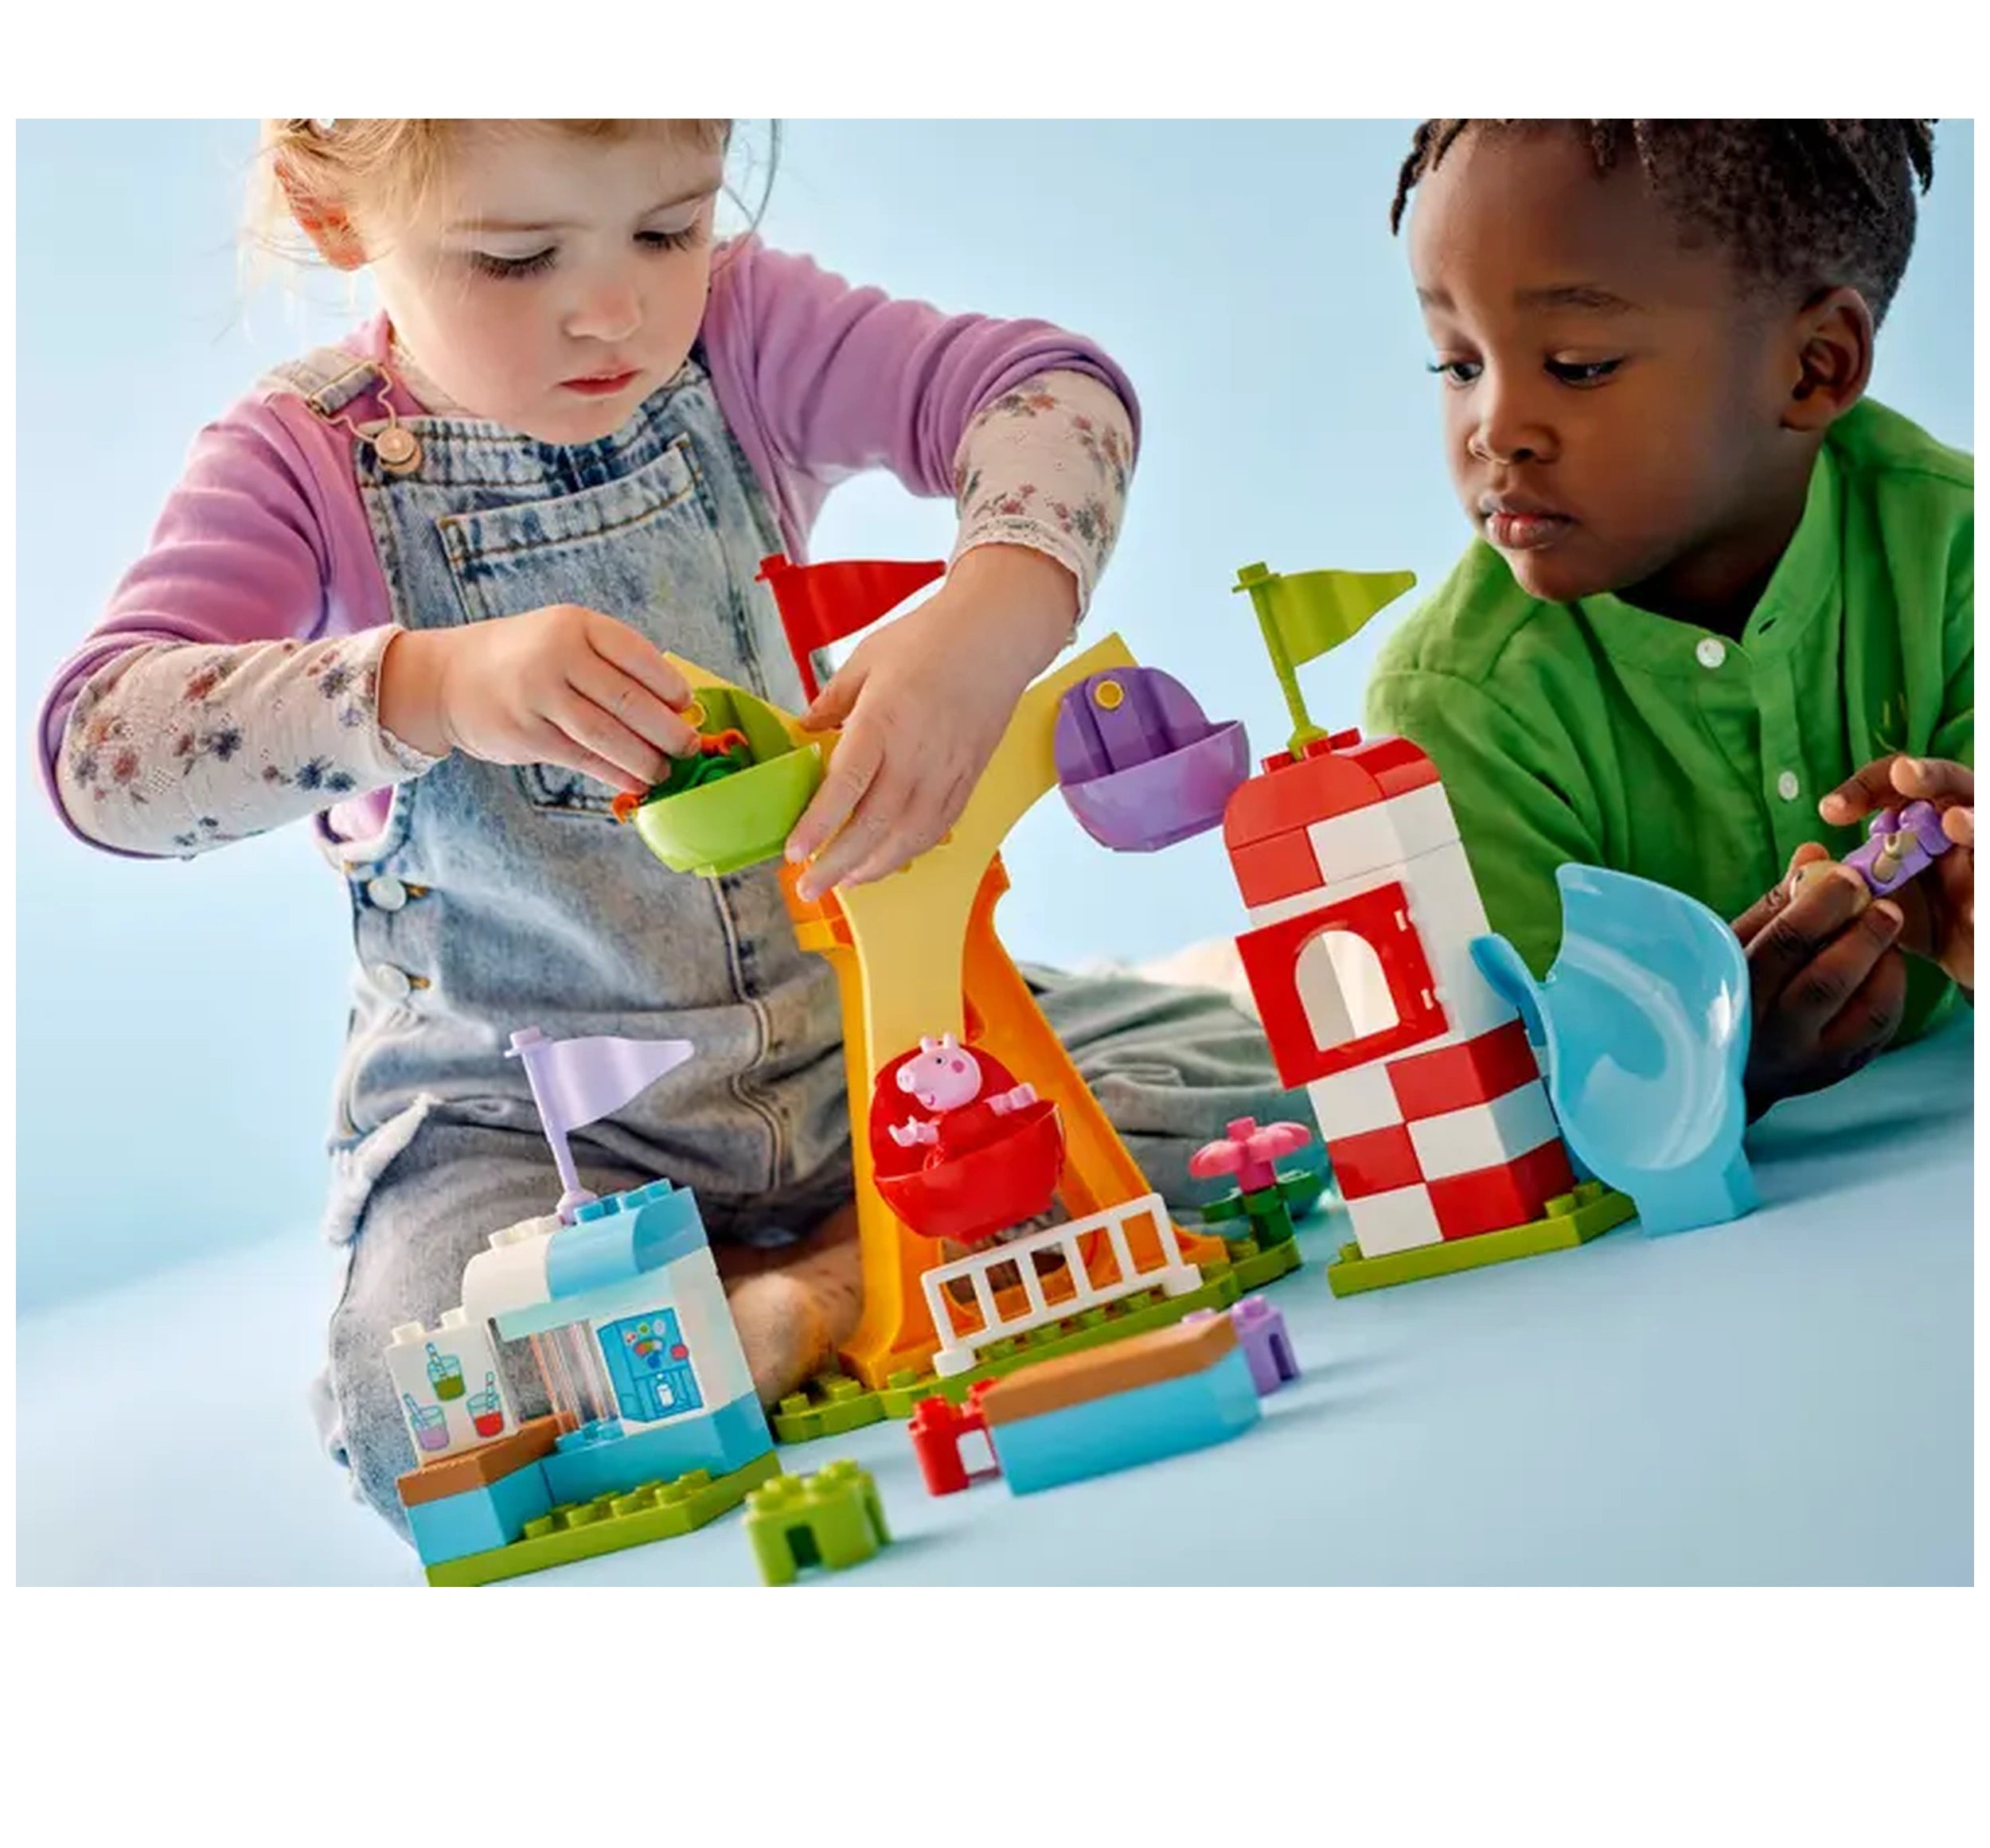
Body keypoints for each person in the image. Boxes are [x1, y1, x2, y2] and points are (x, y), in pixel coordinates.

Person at [36, 119, 1297, 1539]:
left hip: (870, 1057)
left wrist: (1000, 606)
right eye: (515, 258)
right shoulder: (301, 464)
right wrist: (426, 684)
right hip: (533, 1148)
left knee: (1282, 1102)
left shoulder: (749, 336)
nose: (615, 310)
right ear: (336, 215)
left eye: (668, 227)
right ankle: (879, 1268)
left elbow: (1048, 392)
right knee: (429, 1408)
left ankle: (823, 1284)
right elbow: (100, 754)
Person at [1366, 119, 1972, 1120]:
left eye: (1577, 364)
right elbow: (1523, 1104)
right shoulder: (1455, 708)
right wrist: (1710, 1069)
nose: (1496, 428)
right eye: (1457, 363)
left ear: (1813, 368)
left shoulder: (1957, 550)